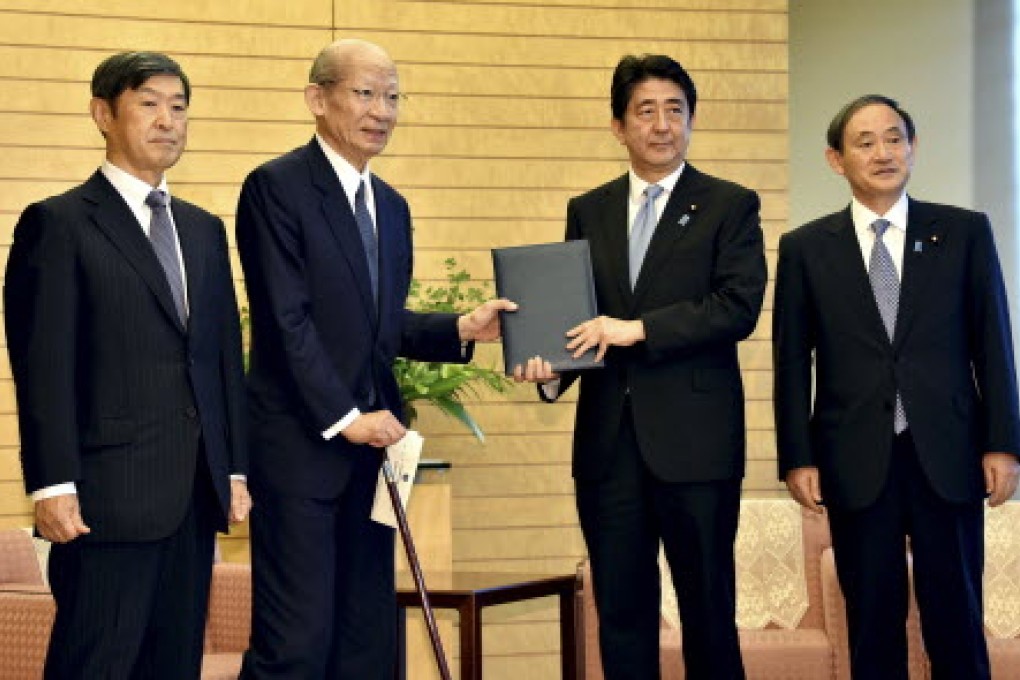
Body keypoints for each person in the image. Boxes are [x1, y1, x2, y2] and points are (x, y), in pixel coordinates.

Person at [235, 39, 515, 679]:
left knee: (367, 644)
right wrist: (346, 416)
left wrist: (461, 327)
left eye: (392, 96)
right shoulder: (275, 188)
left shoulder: (391, 206)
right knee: (296, 644)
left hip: (374, 458)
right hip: (302, 450)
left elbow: (376, 328)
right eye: (365, 93)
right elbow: (287, 321)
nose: (381, 111)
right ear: (317, 99)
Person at [516, 54, 766, 679]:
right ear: (618, 125)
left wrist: (638, 329)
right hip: (609, 447)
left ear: (691, 120)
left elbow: (737, 308)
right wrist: (551, 370)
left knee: (708, 613)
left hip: (697, 447)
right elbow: (580, 316)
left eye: (675, 110)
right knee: (622, 617)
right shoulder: (589, 208)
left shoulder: (729, 205)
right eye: (645, 111)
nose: (661, 124)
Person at [3, 51, 251, 679]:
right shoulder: (57, 224)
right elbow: (44, 366)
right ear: (102, 114)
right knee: (97, 664)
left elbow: (221, 360)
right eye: (149, 104)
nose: (168, 121)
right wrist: (52, 483)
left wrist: (235, 469)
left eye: (179, 107)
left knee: (173, 667)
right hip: (104, 501)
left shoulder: (202, 229)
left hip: (193, 496)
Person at [773, 94, 1020, 679]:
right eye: (865, 142)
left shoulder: (962, 232)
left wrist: (1003, 443)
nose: (882, 152)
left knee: (957, 619)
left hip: (948, 452)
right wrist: (797, 457)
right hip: (854, 457)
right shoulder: (806, 249)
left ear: (912, 147)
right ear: (836, 159)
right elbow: (790, 362)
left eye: (894, 138)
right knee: (873, 624)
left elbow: (994, 345)